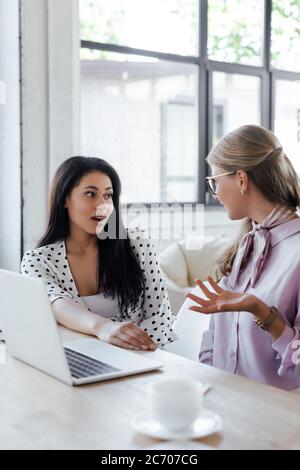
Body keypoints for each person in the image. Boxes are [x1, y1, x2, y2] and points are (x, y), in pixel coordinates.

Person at [21, 156, 176, 350]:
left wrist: (135, 351)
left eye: (108, 196)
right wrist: (104, 328)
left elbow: (160, 317)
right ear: (65, 199)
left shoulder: (137, 245)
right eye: (90, 194)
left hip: (146, 357)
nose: (102, 205)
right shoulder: (39, 261)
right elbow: (55, 302)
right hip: (81, 359)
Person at [187, 125, 300, 390]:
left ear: (241, 179)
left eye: (215, 181)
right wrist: (204, 386)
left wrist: (260, 311)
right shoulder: (244, 243)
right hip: (224, 402)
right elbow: (214, 339)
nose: (215, 194)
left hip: (277, 417)